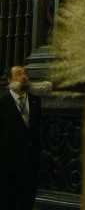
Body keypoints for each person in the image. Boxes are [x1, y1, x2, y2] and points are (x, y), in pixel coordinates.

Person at [0, 66, 42, 210]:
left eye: (25, 73)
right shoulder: (2, 101)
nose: (24, 77)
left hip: (30, 163)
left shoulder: (36, 101)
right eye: (18, 74)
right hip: (7, 164)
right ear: (9, 80)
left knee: (27, 201)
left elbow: (38, 131)